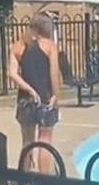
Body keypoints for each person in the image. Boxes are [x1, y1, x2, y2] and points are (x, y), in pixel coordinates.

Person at [8, 14, 61, 174]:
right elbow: (53, 73)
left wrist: (29, 89)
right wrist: (56, 95)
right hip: (45, 97)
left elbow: (12, 73)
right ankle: (44, 181)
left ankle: (24, 178)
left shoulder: (17, 46)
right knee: (44, 141)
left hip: (25, 99)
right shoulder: (50, 46)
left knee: (27, 141)